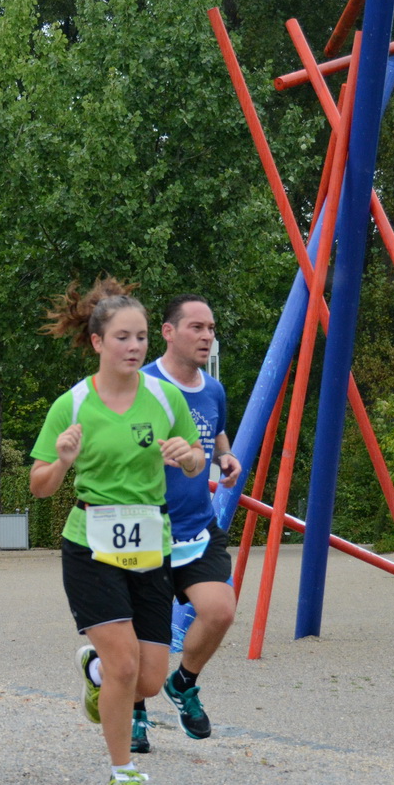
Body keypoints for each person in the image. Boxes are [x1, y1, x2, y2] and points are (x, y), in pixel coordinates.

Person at [30, 279, 204, 785]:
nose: (135, 347)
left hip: (152, 541)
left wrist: (188, 457)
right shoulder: (74, 403)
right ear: (98, 342)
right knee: (127, 667)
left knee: (148, 680)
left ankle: (96, 672)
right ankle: (121, 772)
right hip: (91, 542)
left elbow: (197, 462)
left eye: (143, 337)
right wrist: (61, 459)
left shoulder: (164, 396)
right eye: (123, 337)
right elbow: (39, 486)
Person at [140, 295, 243, 748]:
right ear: (168, 331)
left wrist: (224, 454)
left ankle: (183, 684)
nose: (206, 336)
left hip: (197, 526)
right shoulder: (141, 385)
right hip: (145, 528)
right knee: (147, 635)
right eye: (196, 327)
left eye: (211, 328)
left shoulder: (213, 388)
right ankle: (135, 714)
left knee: (220, 610)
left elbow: (214, 428)